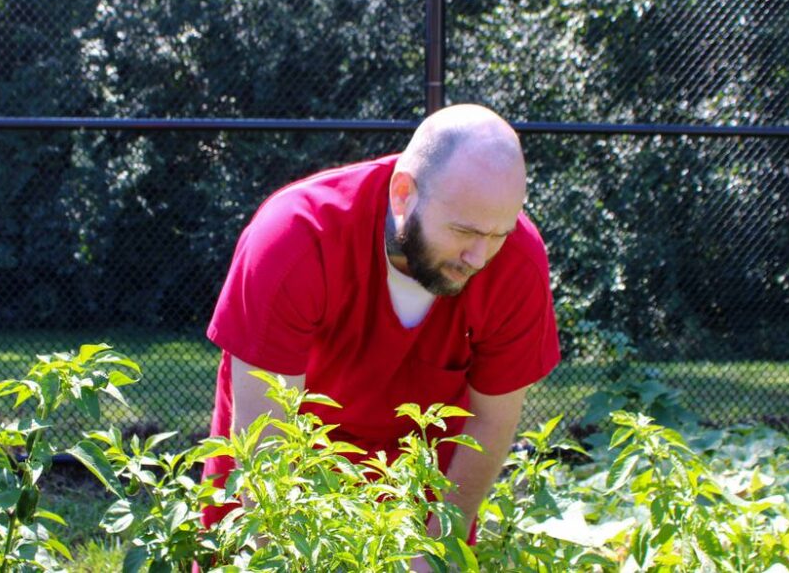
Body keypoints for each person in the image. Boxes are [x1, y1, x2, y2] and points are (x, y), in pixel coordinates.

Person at [201, 103, 561, 543]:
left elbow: (491, 421)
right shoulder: (295, 238)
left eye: (499, 234)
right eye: (464, 231)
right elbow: (265, 442)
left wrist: (435, 550)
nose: (479, 257)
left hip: (422, 491)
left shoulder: (518, 263)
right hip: (289, 471)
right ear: (402, 194)